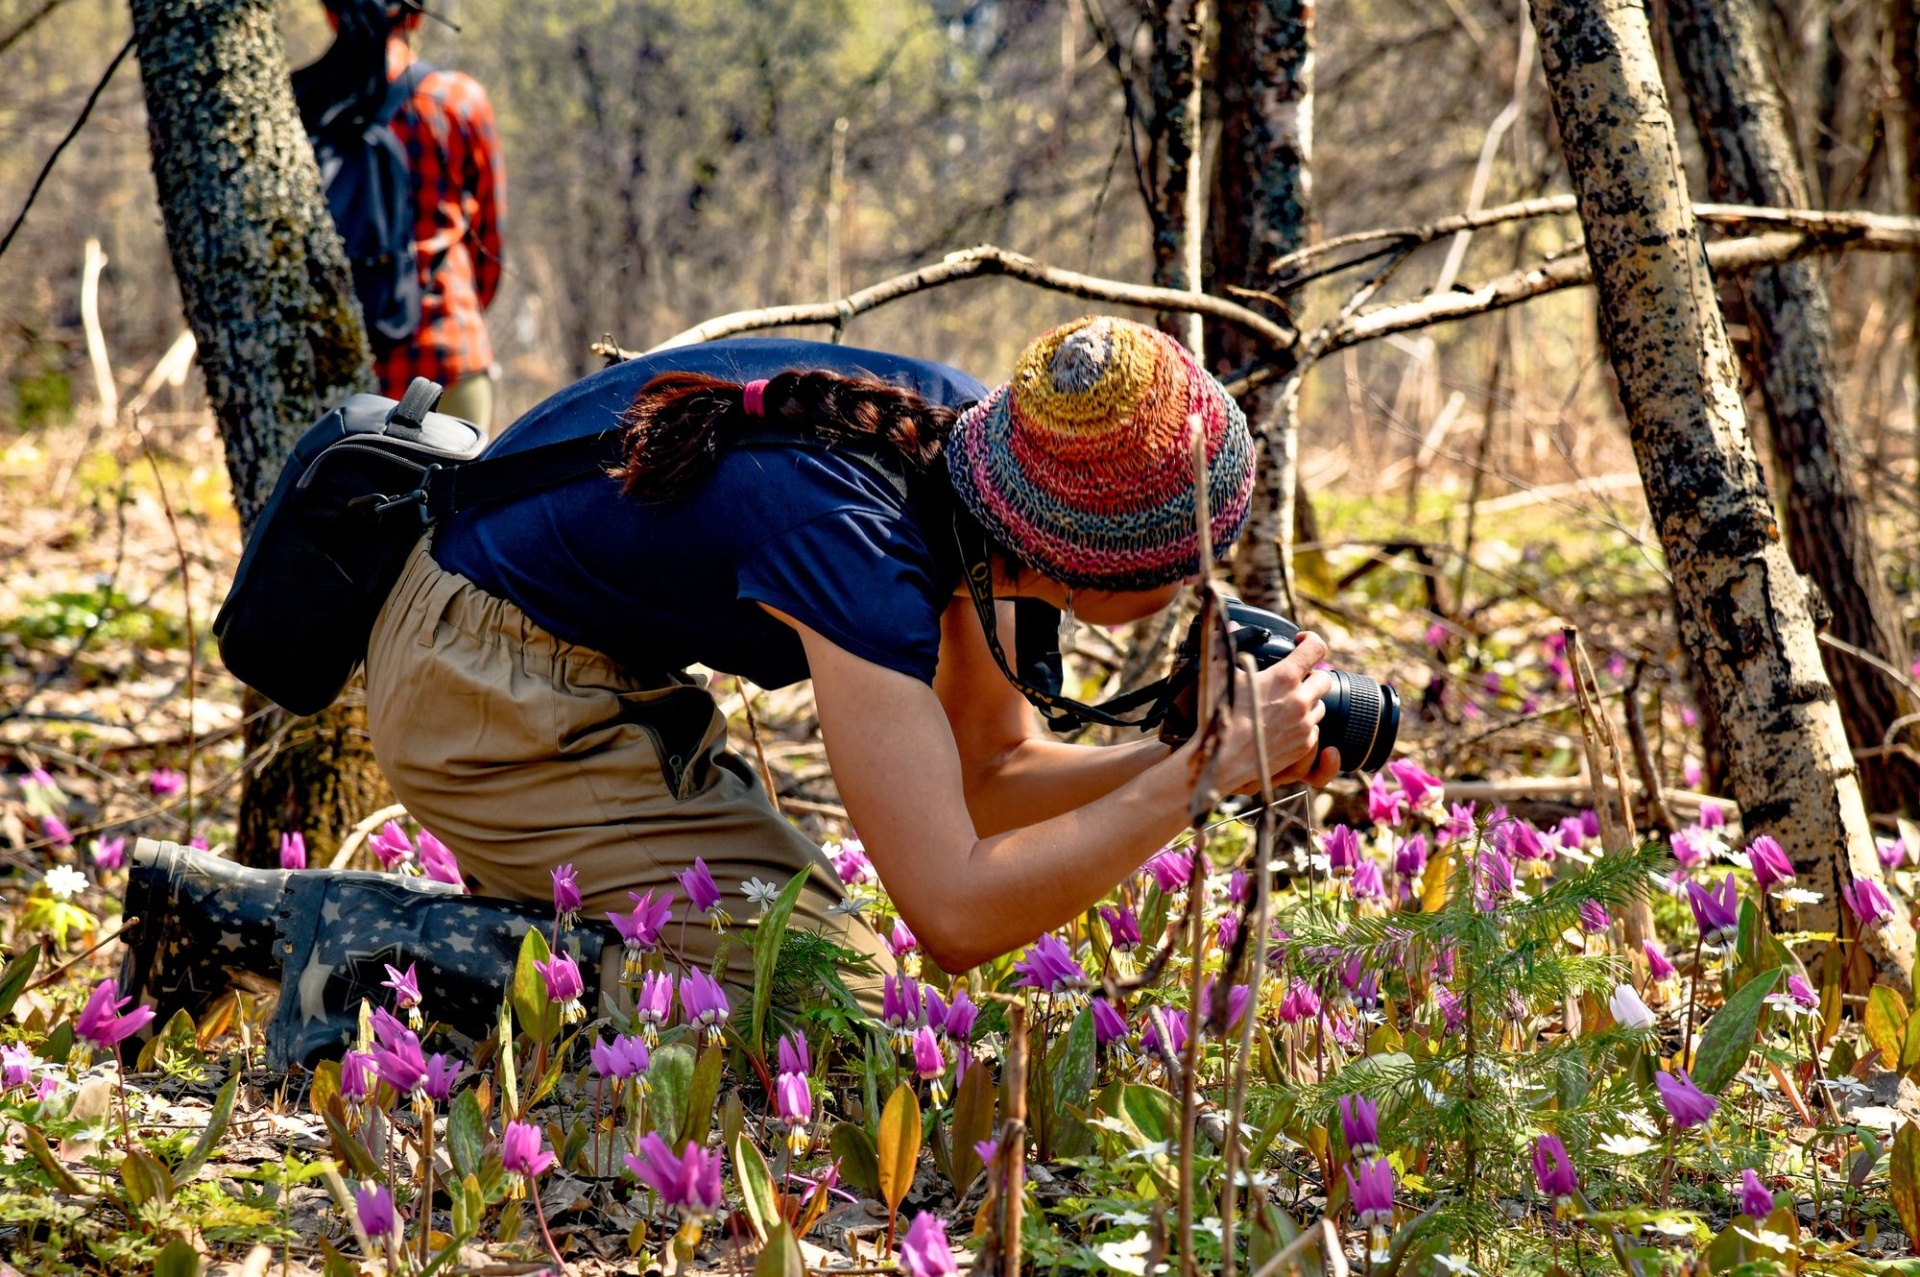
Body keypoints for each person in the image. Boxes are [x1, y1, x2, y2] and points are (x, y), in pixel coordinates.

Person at [122, 316, 1338, 1062]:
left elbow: (995, 772)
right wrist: (1196, 778)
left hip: (538, 654)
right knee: (828, 1016)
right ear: (1087, 566)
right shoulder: (859, 543)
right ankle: (264, 935)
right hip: (481, 679)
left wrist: (1192, 752)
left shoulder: (981, 467)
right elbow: (955, 913)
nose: (1207, 574)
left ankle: (376, 944)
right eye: (1194, 551)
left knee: (817, 993)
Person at [293, 0, 505, 428]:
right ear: (417, 15)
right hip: (448, 351)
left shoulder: (299, 102)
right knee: (465, 475)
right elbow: (489, 249)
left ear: (332, 12)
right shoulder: (457, 100)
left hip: (340, 363)